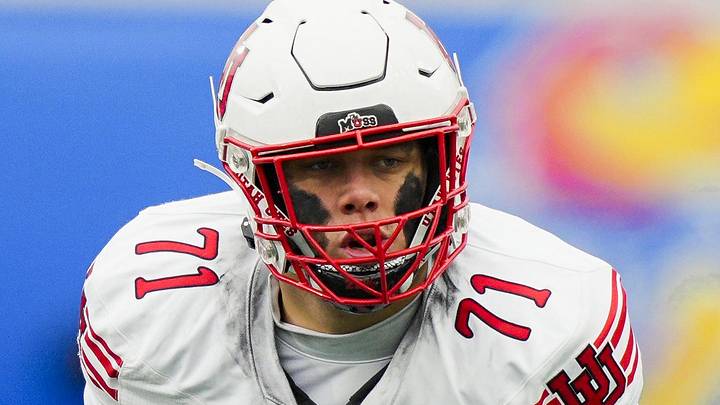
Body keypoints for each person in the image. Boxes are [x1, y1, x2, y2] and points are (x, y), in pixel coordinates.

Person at [77, 0, 643, 404]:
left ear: (440, 161)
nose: (362, 197)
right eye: (322, 165)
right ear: (256, 180)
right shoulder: (149, 309)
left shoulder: (556, 329)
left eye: (389, 160)